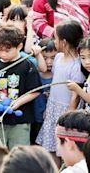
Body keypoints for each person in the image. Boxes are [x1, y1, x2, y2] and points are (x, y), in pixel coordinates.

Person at [0, 24, 42, 149]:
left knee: (18, 152)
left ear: (19, 46)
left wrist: (18, 103)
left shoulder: (27, 65)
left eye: (7, 50)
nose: (3, 54)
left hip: (20, 119)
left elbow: (36, 90)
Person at [36, 20, 85, 167]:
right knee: (51, 145)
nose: (54, 41)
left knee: (65, 144)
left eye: (56, 38)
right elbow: (53, 83)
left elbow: (75, 94)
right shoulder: (58, 58)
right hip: (53, 106)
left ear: (63, 41)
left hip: (66, 111)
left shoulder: (76, 65)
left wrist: (69, 114)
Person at [31, 38, 57, 145]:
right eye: (44, 58)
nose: (49, 62)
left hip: (51, 118)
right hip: (34, 117)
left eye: (53, 58)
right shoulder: (34, 72)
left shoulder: (58, 75)